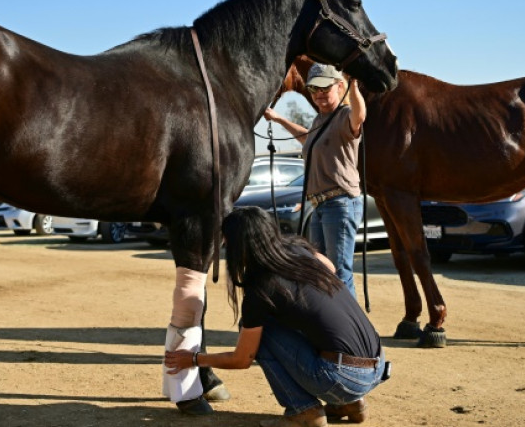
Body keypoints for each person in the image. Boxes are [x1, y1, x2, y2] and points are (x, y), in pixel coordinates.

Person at [164, 207, 387, 427]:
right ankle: (350, 404)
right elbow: (329, 267)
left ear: (238, 246)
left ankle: (303, 411)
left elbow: (242, 359)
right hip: (377, 367)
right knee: (306, 323)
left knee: (259, 332)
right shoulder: (300, 250)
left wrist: (194, 359)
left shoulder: (261, 289)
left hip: (343, 378)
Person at [264, 62, 366, 297]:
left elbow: (359, 116)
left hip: (340, 203)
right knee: (319, 269)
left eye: (324, 89)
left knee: (339, 271)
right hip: (319, 205)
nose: (319, 95)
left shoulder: (344, 116)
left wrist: (354, 85)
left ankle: (349, 328)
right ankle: (328, 324)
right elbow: (306, 137)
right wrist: (278, 118)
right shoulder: (320, 120)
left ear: (339, 86)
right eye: (314, 90)